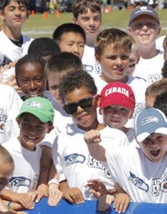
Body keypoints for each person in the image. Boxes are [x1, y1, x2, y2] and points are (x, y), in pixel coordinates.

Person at [54, 69, 128, 204]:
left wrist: (109, 194)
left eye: (85, 103)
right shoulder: (61, 139)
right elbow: (61, 178)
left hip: (109, 210)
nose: (79, 110)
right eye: (71, 107)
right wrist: (66, 191)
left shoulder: (119, 138)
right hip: (75, 211)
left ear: (97, 100)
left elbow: (125, 182)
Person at [0, 0, 32, 69]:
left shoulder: (32, 44)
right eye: (12, 9)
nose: (17, 13)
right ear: (1, 14)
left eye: (22, 9)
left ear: (27, 14)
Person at [127, 6, 163, 85]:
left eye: (150, 24)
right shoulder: (124, 62)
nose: (145, 28)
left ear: (159, 30)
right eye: (138, 25)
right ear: (129, 31)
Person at [72, 0, 102, 75]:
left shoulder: (109, 47)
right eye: (86, 19)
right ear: (75, 22)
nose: (92, 24)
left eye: (96, 18)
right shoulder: (71, 51)